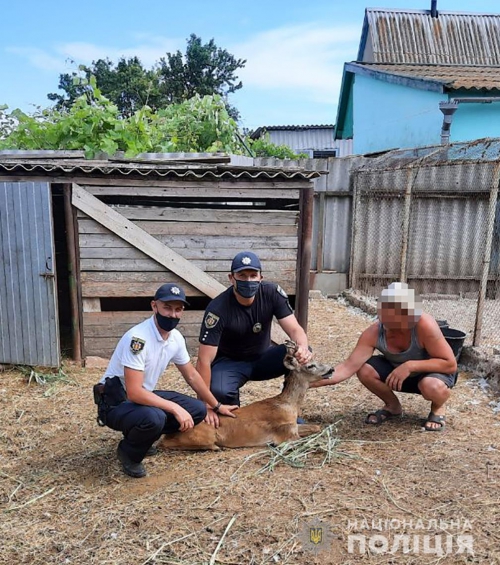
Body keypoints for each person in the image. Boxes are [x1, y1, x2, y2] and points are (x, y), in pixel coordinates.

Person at [94, 283, 238, 478]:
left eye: (178, 310)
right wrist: (174, 408)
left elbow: (192, 375)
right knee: (155, 418)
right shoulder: (138, 339)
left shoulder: (175, 338)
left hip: (140, 397)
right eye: (167, 308)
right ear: (154, 306)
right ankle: (129, 452)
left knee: (197, 409)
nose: (172, 315)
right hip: (116, 401)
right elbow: (134, 392)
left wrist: (216, 405)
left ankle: (143, 437)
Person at [311, 282, 457, 431]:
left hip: (432, 375)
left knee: (431, 386)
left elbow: (450, 364)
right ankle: (392, 406)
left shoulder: (424, 325)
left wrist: (410, 365)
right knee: (364, 369)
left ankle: (438, 407)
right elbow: (347, 367)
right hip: (397, 376)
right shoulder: (374, 332)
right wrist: (306, 381)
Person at [196, 250, 312, 427]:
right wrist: (205, 405)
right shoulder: (217, 309)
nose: (248, 281)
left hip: (262, 357)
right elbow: (204, 360)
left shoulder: (272, 293)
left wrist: (303, 346)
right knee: (220, 390)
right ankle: (237, 423)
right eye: (242, 275)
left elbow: (295, 329)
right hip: (230, 363)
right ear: (231, 278)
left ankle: (289, 414)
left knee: (300, 355)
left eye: (252, 275)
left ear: (261, 277)